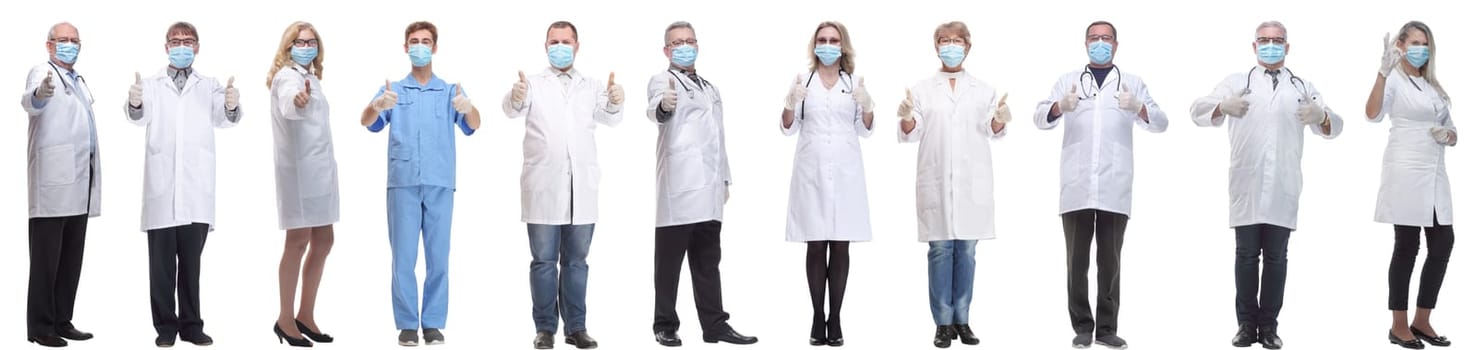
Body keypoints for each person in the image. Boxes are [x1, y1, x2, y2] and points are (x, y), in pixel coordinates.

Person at [1189, 20, 1343, 350]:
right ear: (1254, 45)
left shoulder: (1302, 86)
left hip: (1283, 185)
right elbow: (1196, 110)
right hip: (1247, 182)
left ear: (1287, 47)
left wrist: (1322, 116)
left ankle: (1269, 328)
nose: (1270, 45)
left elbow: (1334, 126)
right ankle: (1246, 326)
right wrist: (1221, 106)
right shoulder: (1236, 82)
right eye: (1264, 40)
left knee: (1276, 257)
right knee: (1245, 255)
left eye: (1277, 40)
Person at [1031, 20, 1167, 350]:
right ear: (1085, 43)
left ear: (1116, 45)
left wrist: (1139, 107)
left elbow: (1162, 123)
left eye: (1106, 38)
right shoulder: (1068, 81)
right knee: (1076, 261)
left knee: (1110, 261)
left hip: (1114, 183)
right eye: (1094, 38)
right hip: (1077, 184)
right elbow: (1038, 118)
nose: (1100, 42)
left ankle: (1106, 328)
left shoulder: (1132, 83)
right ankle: (1081, 326)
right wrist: (1058, 107)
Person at [359, 21, 482, 347]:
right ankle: (407, 325)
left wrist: (469, 109)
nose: (420, 46)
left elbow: (474, 124)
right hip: (403, 183)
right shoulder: (393, 90)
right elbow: (366, 122)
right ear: (405, 47)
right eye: (414, 41)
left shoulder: (449, 90)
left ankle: (433, 323)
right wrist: (376, 105)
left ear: (435, 47)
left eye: (426, 41)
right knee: (403, 258)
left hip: (440, 182)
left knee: (439, 257)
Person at [501, 20, 622, 350]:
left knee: (577, 262)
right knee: (543, 262)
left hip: (582, 189)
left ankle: (577, 328)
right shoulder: (533, 84)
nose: (560, 46)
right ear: (545, 46)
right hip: (543, 187)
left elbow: (612, 118)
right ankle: (544, 329)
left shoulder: (592, 84)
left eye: (566, 41)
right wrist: (515, 96)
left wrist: (614, 99)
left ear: (577, 45)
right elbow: (511, 110)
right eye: (553, 41)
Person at [125, 21, 243, 348]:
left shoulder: (210, 86)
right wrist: (135, 101)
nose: (181, 45)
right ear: (165, 47)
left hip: (196, 191)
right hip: (162, 191)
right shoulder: (150, 85)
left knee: (191, 267)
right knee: (161, 269)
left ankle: (192, 326)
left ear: (197, 47)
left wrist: (231, 104)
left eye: (187, 40)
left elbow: (225, 119)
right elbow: (137, 117)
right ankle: (165, 328)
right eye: (175, 41)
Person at [644, 20, 758, 347]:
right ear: (666, 50)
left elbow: (719, 137)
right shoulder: (661, 80)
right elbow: (655, 109)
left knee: (708, 262)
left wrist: (725, 178)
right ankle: (664, 324)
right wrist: (663, 106)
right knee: (668, 265)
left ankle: (715, 326)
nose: (684, 46)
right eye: (677, 42)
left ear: (697, 45)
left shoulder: (711, 88)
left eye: (689, 40)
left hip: (709, 189)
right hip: (678, 190)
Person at [896, 21, 1010, 349]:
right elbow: (910, 132)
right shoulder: (921, 89)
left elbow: (994, 129)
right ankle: (943, 323)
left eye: (957, 40)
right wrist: (905, 115)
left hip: (971, 185)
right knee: (941, 251)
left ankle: (963, 318)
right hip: (935, 181)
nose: (951, 45)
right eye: (944, 40)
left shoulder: (984, 89)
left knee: (968, 252)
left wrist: (1000, 117)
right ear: (936, 47)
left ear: (968, 47)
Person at [778, 21, 874, 347]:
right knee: (816, 243)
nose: (828, 44)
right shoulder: (801, 81)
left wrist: (868, 105)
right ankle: (818, 317)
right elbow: (788, 127)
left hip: (846, 172)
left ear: (843, 45)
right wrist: (789, 103)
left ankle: (836, 319)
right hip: (811, 171)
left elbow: (865, 129)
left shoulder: (854, 82)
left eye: (834, 40)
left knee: (841, 245)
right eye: (822, 39)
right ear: (814, 44)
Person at [1364, 21, 1455, 350]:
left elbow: (1451, 128)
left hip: (1434, 175)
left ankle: (1423, 319)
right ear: (1400, 44)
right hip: (1404, 172)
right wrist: (1381, 72)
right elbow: (1372, 114)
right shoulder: (1394, 80)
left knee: (1443, 244)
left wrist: (1449, 135)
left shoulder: (1433, 87)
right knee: (1407, 247)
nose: (1421, 49)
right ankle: (1399, 325)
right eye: (1415, 42)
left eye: (1426, 44)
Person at [22, 22, 99, 348]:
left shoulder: (77, 79)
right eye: (62, 40)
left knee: (70, 259)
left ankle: (62, 320)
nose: (69, 45)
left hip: (80, 183)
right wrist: (39, 94)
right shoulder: (42, 71)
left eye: (73, 40)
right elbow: (30, 101)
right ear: (49, 45)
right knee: (46, 260)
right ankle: (40, 326)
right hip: (53, 184)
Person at [266, 21, 338, 348]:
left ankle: (305, 314)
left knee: (324, 240)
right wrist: (297, 101)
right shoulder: (287, 78)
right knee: (297, 240)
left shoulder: (312, 79)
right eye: (300, 41)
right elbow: (289, 103)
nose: (306, 47)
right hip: (298, 173)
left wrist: (306, 95)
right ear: (288, 46)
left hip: (321, 173)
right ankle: (284, 318)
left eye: (311, 42)